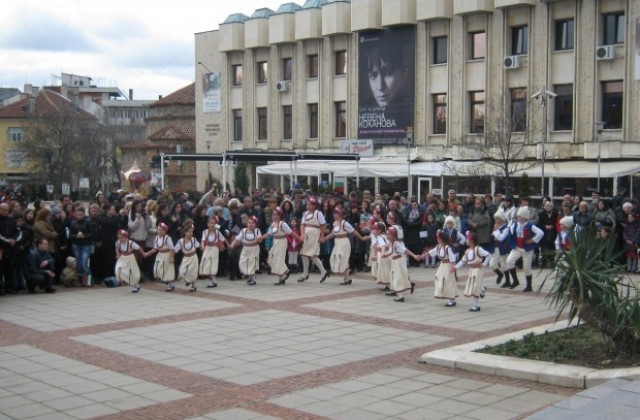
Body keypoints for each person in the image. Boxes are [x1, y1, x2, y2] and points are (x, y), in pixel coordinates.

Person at [324, 207, 366, 285]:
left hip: (344, 242)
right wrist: (325, 238)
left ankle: (347, 276)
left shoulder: (344, 223)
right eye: (334, 213)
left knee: (343, 259)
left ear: (340, 215)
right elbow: (333, 233)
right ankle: (347, 278)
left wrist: (362, 238)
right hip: (337, 243)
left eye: (336, 213)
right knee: (336, 258)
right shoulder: (335, 223)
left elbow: (354, 232)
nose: (334, 215)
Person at [506, 207, 544, 292]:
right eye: (518, 216)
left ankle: (529, 286)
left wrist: (533, 240)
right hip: (517, 247)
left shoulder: (530, 225)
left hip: (527, 249)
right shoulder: (515, 224)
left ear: (524, 217)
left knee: (526, 267)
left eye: (520, 216)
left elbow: (541, 233)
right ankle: (515, 281)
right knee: (509, 261)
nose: (518, 217)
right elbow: (509, 230)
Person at [453, 232, 490, 312]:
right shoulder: (467, 251)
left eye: (468, 239)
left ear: (472, 241)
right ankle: (482, 289)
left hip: (478, 270)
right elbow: (463, 261)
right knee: (474, 286)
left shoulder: (478, 249)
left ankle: (477, 305)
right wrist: (455, 268)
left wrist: (483, 264)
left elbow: (488, 255)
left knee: (474, 287)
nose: (466, 240)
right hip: (471, 270)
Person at [297, 197, 329, 283]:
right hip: (307, 235)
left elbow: (323, 225)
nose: (308, 206)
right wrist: (302, 234)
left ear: (314, 205)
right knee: (304, 254)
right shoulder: (306, 213)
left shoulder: (318, 213)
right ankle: (305, 273)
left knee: (312, 254)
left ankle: (322, 271)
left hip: (314, 234)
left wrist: (322, 236)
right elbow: (302, 224)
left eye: (310, 204)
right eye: (307, 204)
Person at [265, 207, 300, 285]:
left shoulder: (283, 224)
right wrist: (261, 237)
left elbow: (291, 233)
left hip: (282, 242)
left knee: (279, 260)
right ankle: (286, 271)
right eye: (273, 215)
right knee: (271, 258)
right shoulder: (273, 224)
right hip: (275, 242)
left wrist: (299, 239)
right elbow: (269, 234)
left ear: (279, 215)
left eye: (275, 215)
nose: (273, 216)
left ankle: (281, 278)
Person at [422, 230, 458, 307]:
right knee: (439, 279)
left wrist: (453, 267)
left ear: (441, 239)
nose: (437, 239)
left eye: (438, 238)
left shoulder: (447, 248)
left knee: (448, 281)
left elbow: (452, 258)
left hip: (448, 266)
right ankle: (447, 296)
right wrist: (422, 256)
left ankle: (452, 299)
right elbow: (431, 252)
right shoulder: (438, 247)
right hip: (442, 265)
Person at [385, 226, 418, 302]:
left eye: (389, 234)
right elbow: (391, 251)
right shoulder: (391, 243)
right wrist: (385, 255)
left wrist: (414, 256)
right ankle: (400, 289)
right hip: (394, 262)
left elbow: (405, 251)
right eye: (386, 234)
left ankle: (400, 296)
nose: (387, 236)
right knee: (394, 277)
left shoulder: (397, 244)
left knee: (398, 278)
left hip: (398, 263)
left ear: (393, 235)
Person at [229, 215, 262, 286]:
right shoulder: (243, 231)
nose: (251, 224)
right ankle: (249, 276)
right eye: (249, 223)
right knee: (243, 263)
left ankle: (252, 279)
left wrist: (259, 238)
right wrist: (232, 245)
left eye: (253, 223)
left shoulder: (257, 231)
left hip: (254, 249)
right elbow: (237, 239)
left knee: (252, 264)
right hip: (245, 249)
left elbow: (260, 240)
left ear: (255, 224)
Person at [143, 222, 176, 291]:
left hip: (166, 255)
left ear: (165, 231)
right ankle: (168, 284)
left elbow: (172, 249)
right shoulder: (157, 238)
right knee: (158, 269)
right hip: (160, 255)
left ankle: (170, 285)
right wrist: (148, 253)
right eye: (158, 229)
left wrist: (171, 257)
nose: (159, 231)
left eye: (161, 230)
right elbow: (156, 248)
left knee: (166, 271)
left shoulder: (167, 238)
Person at [68, 206, 95, 287]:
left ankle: (90, 281)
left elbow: (92, 233)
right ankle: (82, 281)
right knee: (79, 264)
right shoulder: (73, 223)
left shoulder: (88, 222)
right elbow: (70, 235)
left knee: (84, 263)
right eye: (78, 214)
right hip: (76, 245)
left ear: (84, 214)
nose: (79, 216)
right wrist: (76, 236)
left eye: (81, 214)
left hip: (86, 245)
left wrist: (84, 236)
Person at [489, 211, 513, 288]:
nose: (496, 221)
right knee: (492, 264)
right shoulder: (496, 228)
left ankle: (507, 281)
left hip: (503, 248)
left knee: (504, 265)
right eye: (495, 219)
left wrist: (496, 231)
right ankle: (500, 274)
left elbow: (501, 238)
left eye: (498, 219)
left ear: (502, 220)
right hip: (495, 248)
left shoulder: (506, 228)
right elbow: (493, 237)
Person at [200, 216, 225, 288]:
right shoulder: (205, 232)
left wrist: (223, 246)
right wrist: (202, 246)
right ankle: (213, 281)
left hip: (214, 249)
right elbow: (203, 241)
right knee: (206, 264)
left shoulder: (217, 232)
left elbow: (222, 240)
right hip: (207, 249)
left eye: (214, 223)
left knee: (212, 265)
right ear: (208, 224)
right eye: (211, 223)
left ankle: (212, 281)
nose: (212, 225)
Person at [173, 222, 200, 292]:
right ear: (185, 233)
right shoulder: (181, 241)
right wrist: (171, 256)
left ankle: (193, 286)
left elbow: (198, 246)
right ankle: (187, 280)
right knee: (182, 271)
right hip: (186, 257)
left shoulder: (194, 240)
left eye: (192, 232)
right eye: (189, 232)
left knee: (192, 271)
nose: (191, 233)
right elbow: (175, 250)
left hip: (193, 257)